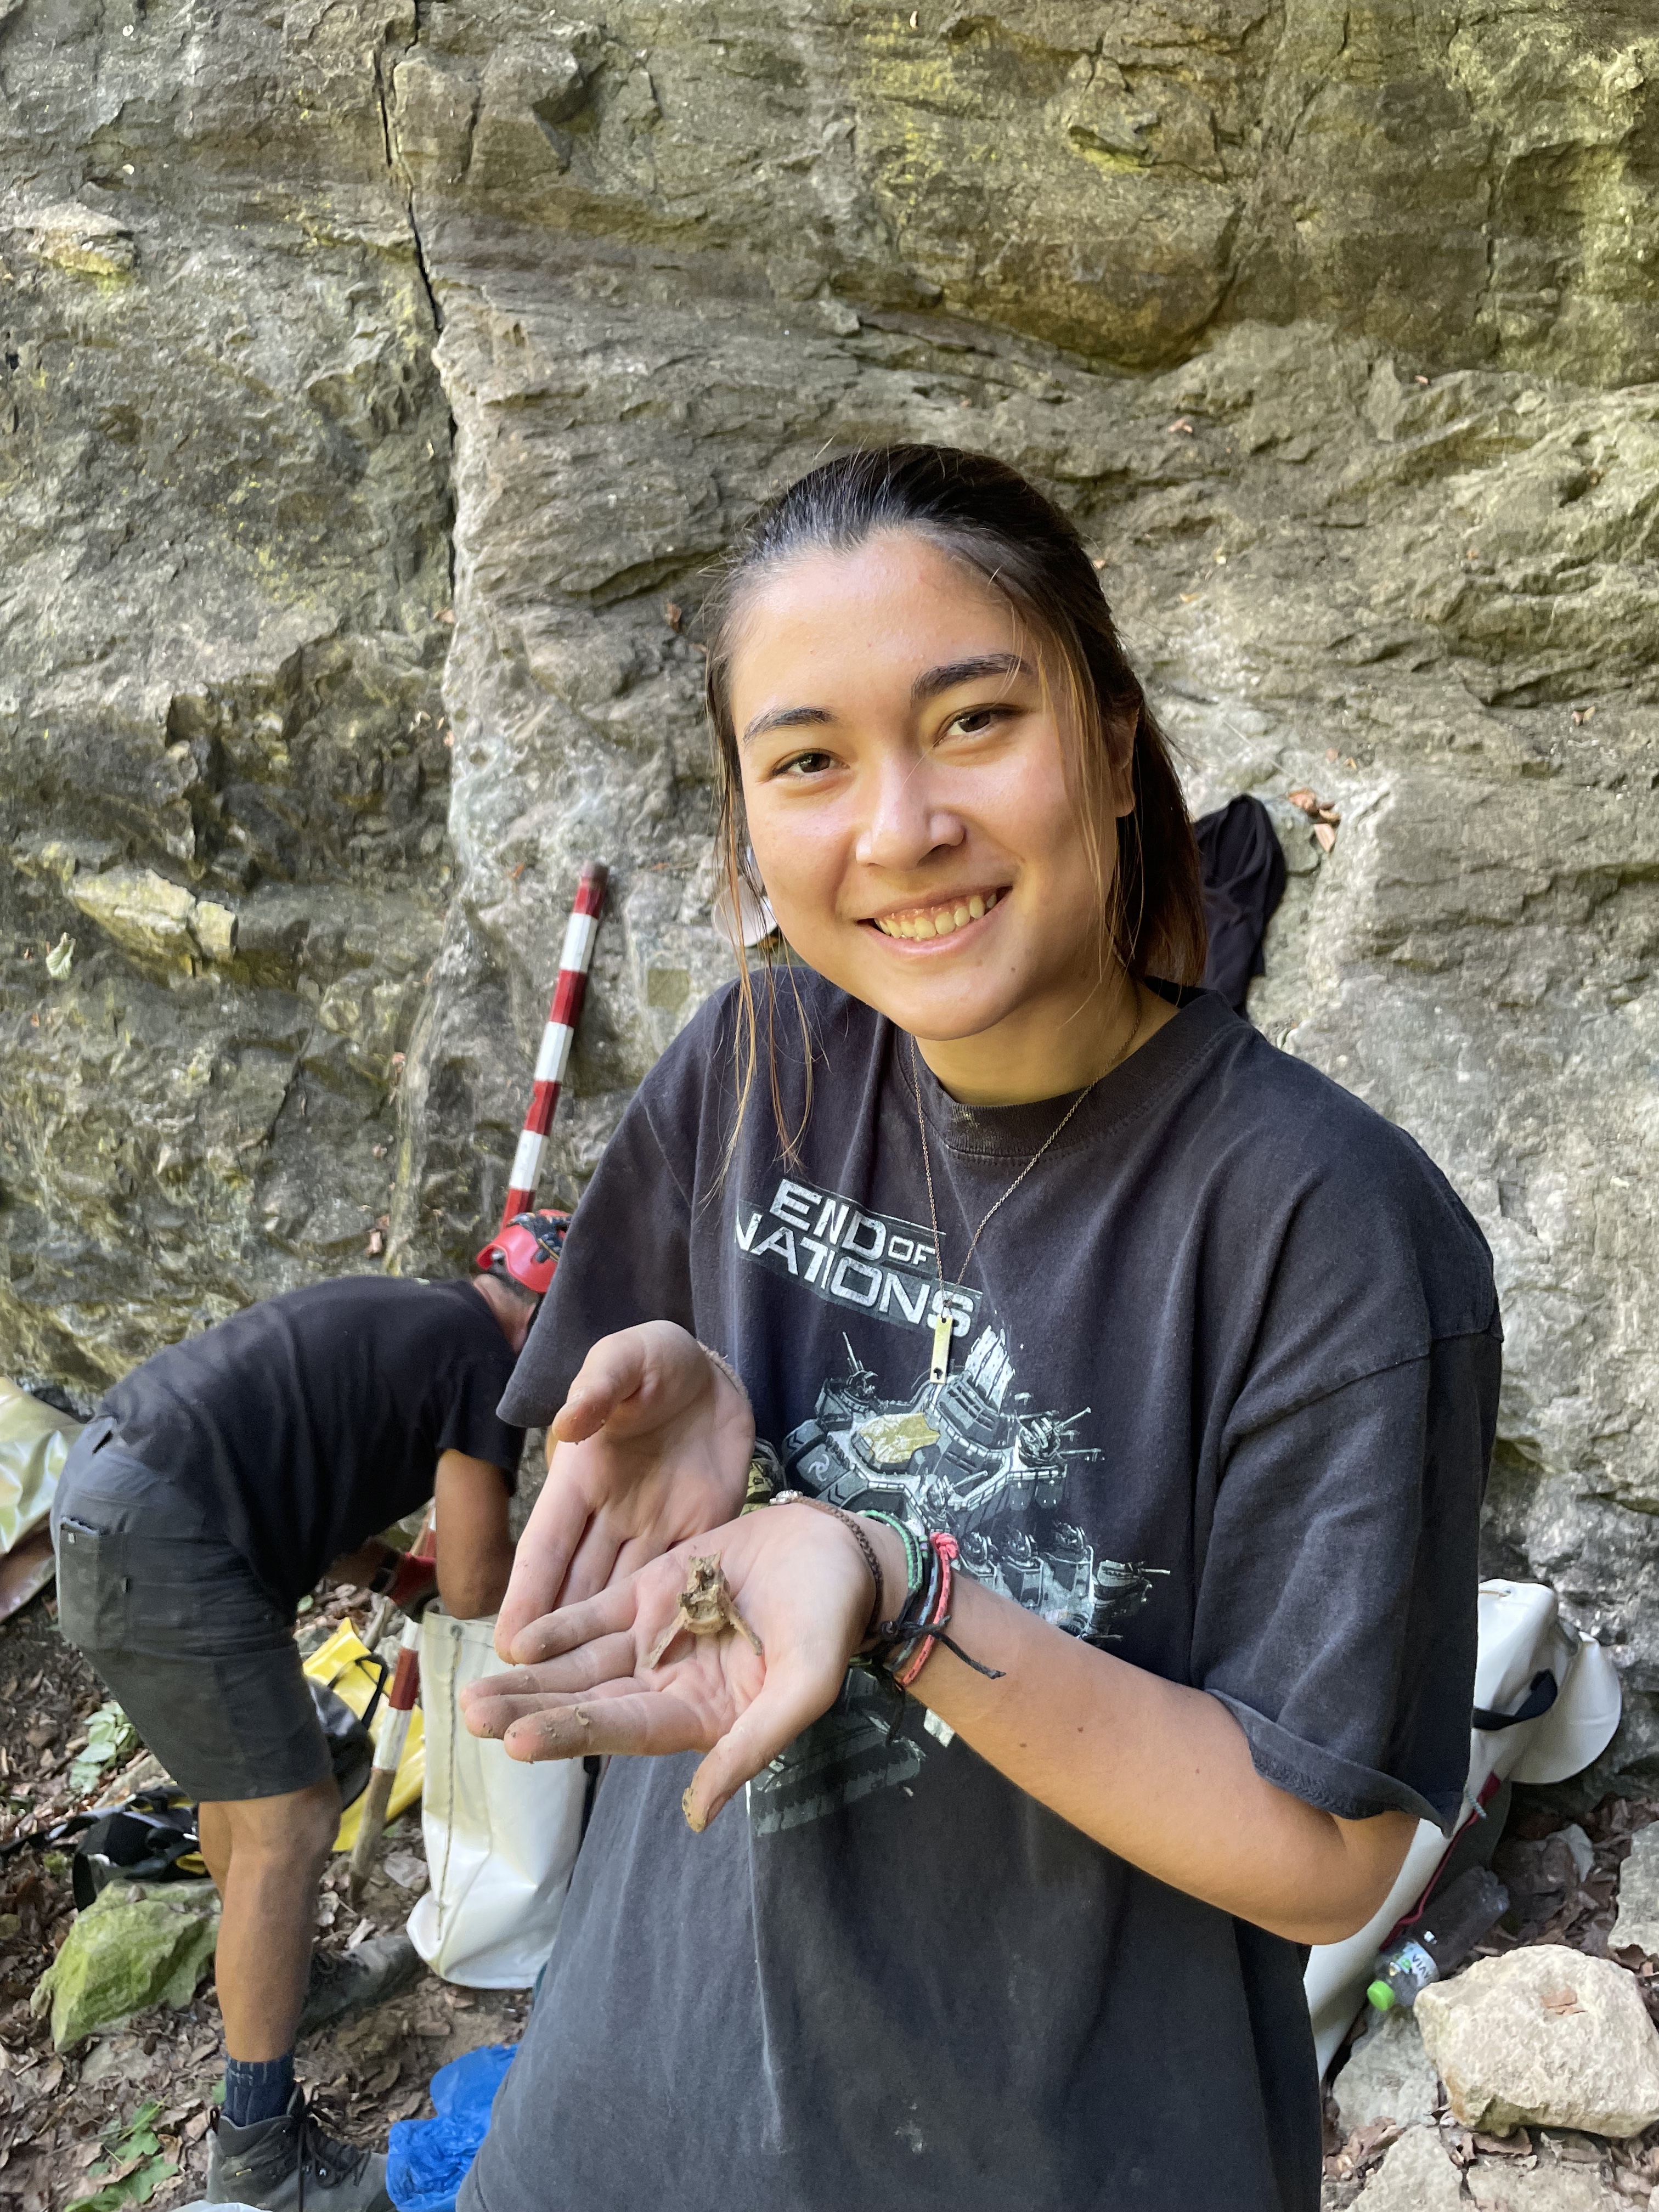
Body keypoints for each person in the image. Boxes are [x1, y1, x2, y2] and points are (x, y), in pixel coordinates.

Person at [459, 449, 1501, 2212]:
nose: (898, 829)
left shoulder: (1327, 1231)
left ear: (1108, 739)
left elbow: (1329, 1858)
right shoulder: (756, 1064)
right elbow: (600, 1607)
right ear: (746, 823)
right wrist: (729, 1438)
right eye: (808, 763)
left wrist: (900, 1590)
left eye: (969, 723)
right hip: (629, 2124)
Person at [52, 1212, 565, 2211]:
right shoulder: (482, 1369)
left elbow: (293, 1478)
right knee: (291, 1820)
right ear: (545, 1326)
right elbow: (473, 1585)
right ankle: (259, 2155)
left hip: (109, 1504)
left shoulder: (403, 1318)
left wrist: (386, 1574)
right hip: (173, 1541)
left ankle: (284, 1986)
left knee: (253, 1790)